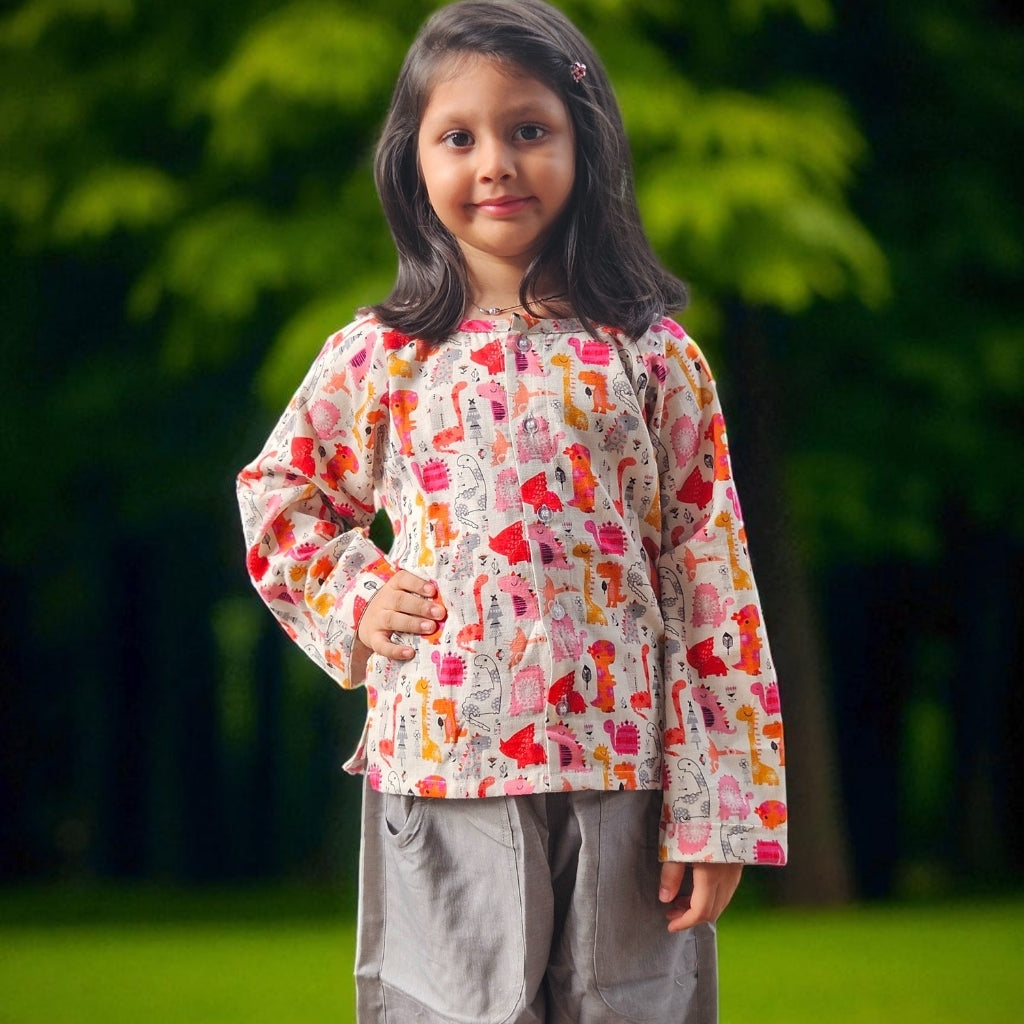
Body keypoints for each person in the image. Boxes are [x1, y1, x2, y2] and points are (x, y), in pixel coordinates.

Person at [237, 1, 787, 1020]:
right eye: (459, 137)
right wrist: (357, 594)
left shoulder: (652, 356)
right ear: (414, 164)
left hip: (629, 781)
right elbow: (282, 495)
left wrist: (723, 809)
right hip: (443, 769)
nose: (495, 162)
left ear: (586, 146)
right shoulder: (379, 356)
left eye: (528, 130)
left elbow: (710, 578)